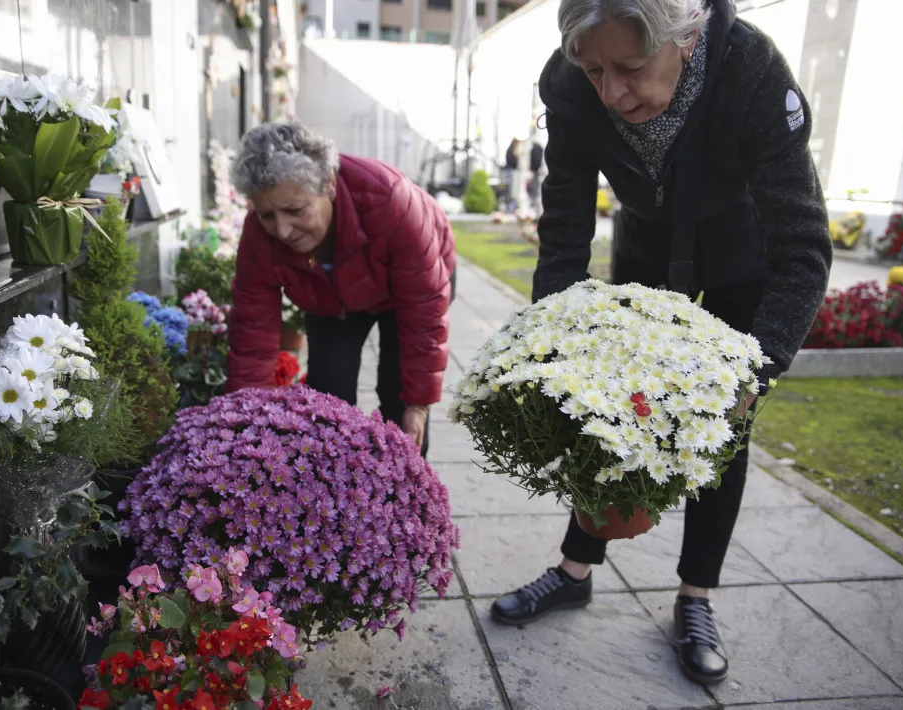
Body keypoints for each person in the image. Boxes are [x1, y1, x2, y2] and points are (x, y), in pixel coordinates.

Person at [489, 0, 831, 686]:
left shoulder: (752, 71)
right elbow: (563, 231)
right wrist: (556, 344)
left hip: (738, 253)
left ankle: (695, 596)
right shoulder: (567, 83)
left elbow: (803, 248)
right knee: (611, 413)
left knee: (720, 433)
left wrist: (752, 373)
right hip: (644, 251)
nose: (611, 92)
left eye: (631, 68)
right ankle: (575, 570)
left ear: (688, 36)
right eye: (594, 71)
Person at [224, 122, 456, 456]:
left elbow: (424, 312)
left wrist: (418, 404)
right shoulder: (260, 237)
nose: (283, 231)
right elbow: (252, 333)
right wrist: (245, 425)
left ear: (329, 185)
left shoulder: (390, 199)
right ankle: (335, 495)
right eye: (267, 215)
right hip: (332, 298)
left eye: (294, 210)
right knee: (327, 398)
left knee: (399, 396)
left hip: (414, 286)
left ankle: (405, 499)